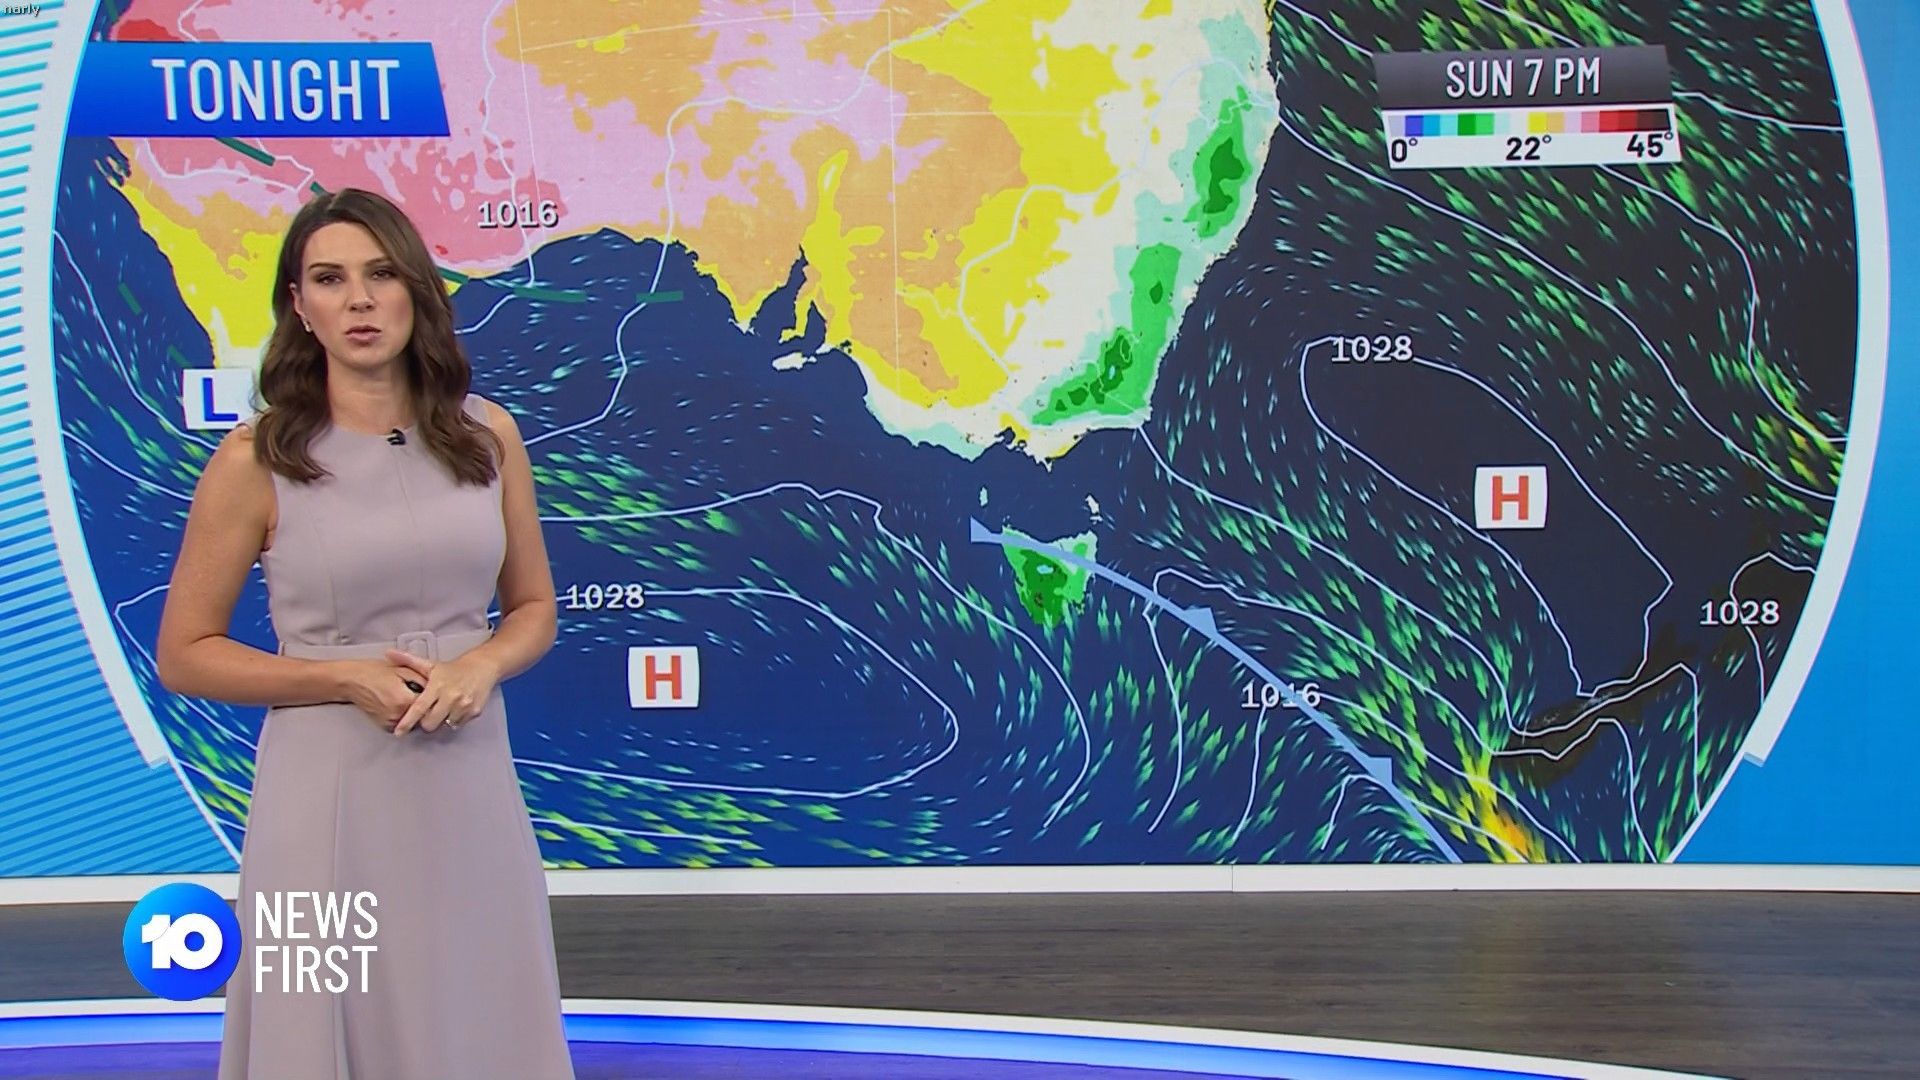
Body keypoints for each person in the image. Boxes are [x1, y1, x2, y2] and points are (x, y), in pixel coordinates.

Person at [154, 187, 575, 1079]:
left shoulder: (488, 435)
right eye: (329, 279)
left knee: (476, 1011)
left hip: (467, 781)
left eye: (380, 274)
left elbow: (534, 607)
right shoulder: (256, 459)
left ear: (416, 290)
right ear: (298, 306)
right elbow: (186, 654)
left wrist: (481, 666)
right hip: (324, 794)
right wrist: (342, 678)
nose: (359, 300)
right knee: (316, 1026)